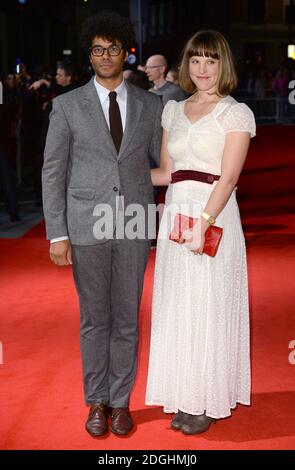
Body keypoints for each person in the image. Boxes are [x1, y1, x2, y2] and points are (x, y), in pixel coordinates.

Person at [42, 11, 162, 437]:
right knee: (94, 318)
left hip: (133, 221)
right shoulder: (67, 105)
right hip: (85, 223)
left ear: (126, 51)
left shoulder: (151, 105)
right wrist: (57, 232)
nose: (105, 55)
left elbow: (164, 164)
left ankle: (120, 400)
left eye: (113, 48)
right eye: (97, 49)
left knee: (127, 316)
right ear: (89, 56)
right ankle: (95, 401)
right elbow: (53, 171)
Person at [145, 30, 256, 435]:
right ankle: (186, 393)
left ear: (223, 65)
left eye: (211, 60)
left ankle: (208, 399)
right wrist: (120, 175)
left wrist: (203, 224)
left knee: (210, 304)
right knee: (179, 304)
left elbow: (228, 178)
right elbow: (166, 171)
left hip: (215, 214)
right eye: (195, 60)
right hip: (177, 209)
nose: (203, 69)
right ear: (186, 65)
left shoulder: (236, 113)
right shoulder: (172, 111)